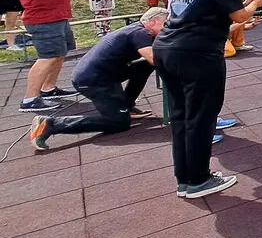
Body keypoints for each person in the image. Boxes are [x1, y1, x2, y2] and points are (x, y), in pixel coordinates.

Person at [154, 0, 262, 199]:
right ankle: (198, 179)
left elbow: (219, 11)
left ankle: (185, 179)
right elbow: (240, 14)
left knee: (181, 117)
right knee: (201, 117)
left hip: (167, 49)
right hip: (198, 54)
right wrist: (256, 2)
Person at [28, 8, 168, 150]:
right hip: (93, 81)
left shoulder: (136, 30)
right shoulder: (140, 33)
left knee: (143, 66)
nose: (168, 29)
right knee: (119, 122)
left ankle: (126, 105)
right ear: (153, 21)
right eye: (166, 24)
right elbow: (154, 59)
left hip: (102, 75)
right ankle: (50, 124)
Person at [7, 0, 89, 112]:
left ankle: (48, 89)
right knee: (47, 57)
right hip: (42, 18)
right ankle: (29, 99)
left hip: (57, 16)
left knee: (58, 54)